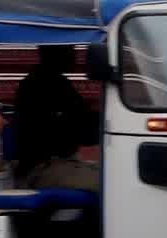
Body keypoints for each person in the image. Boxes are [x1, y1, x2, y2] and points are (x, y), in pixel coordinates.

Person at [6, 44, 101, 190]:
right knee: (110, 183)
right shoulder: (45, 84)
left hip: (61, 163)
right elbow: (83, 130)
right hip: (44, 169)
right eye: (70, 50)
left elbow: (82, 121)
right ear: (57, 54)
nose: (75, 55)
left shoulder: (53, 81)